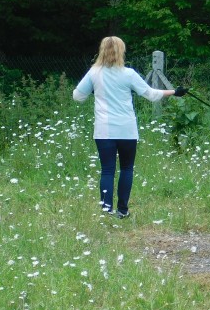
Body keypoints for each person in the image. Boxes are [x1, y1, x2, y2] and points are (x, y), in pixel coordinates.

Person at [73, 36, 186, 218]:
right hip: (127, 129)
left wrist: (95, 90)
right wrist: (175, 92)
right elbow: (150, 94)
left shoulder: (94, 73)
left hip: (104, 130)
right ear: (121, 51)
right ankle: (123, 210)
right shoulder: (128, 74)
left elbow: (78, 96)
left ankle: (106, 211)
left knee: (107, 170)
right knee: (126, 168)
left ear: (102, 51)